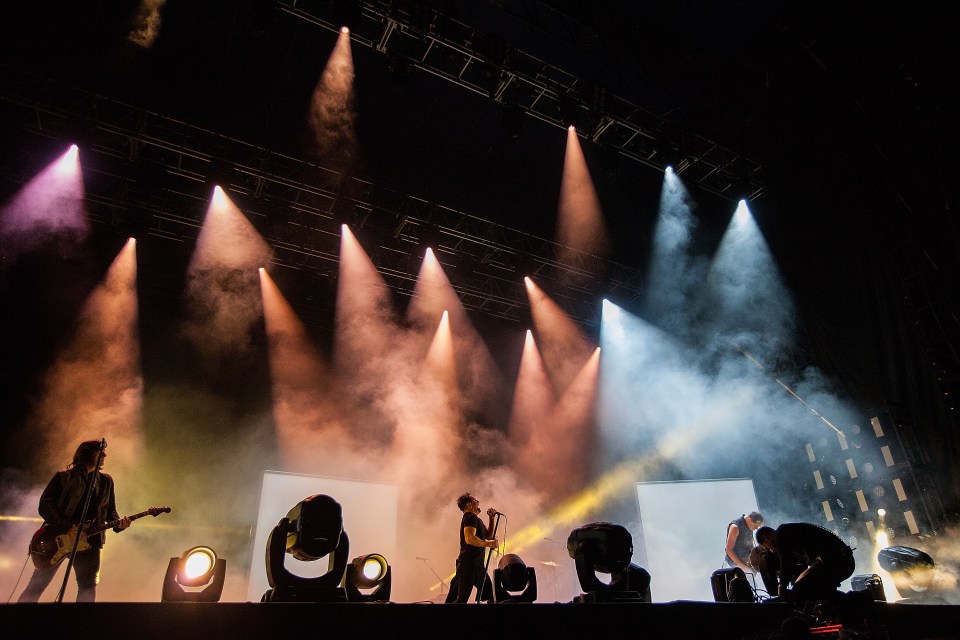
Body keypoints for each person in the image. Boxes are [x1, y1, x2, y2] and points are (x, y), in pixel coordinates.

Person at [19, 440, 131, 602]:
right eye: (99, 452)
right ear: (86, 454)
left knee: (87, 587)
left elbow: (110, 511)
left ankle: (82, 624)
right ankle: (18, 622)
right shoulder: (64, 478)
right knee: (37, 586)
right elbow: (45, 505)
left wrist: (119, 524)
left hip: (90, 540)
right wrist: (67, 527)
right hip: (57, 538)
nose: (104, 455)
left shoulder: (106, 481)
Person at [756, 522, 854, 601]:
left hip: (834, 560)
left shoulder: (781, 533)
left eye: (767, 537)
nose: (769, 542)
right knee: (819, 592)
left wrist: (782, 585)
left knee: (800, 587)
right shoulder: (791, 536)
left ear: (769, 535)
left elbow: (786, 562)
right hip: (842, 560)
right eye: (765, 542)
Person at [445, 492, 498, 603]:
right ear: (469, 504)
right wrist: (489, 544)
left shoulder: (476, 520)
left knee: (491, 595)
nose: (478, 502)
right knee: (462, 599)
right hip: (469, 565)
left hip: (477, 566)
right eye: (475, 500)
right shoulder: (470, 517)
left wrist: (491, 519)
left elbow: (488, 535)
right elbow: (470, 539)